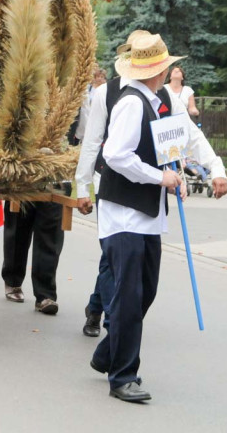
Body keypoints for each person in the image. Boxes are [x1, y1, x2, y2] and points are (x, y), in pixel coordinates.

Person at [89, 33, 226, 403]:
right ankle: (123, 376)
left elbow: (184, 141)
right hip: (123, 214)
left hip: (147, 214)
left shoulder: (160, 100)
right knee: (130, 295)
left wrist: (201, 171)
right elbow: (116, 154)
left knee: (144, 291)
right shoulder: (132, 103)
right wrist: (159, 177)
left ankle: (107, 354)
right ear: (160, 69)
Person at [72, 30, 172, 337]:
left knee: (120, 267)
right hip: (111, 188)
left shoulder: (161, 97)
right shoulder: (109, 93)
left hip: (147, 198)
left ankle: (99, 312)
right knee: (113, 262)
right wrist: (82, 187)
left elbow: (175, 138)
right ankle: (108, 321)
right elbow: (93, 142)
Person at [1, 199, 63, 314]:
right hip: (22, 184)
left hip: (55, 185)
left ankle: (45, 295)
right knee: (18, 230)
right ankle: (13, 279)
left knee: (50, 236)